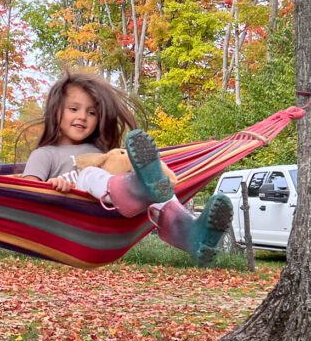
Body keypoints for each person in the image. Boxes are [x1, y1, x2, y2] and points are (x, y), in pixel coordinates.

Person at [23, 71, 232, 267]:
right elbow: (23, 191)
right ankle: (134, 189)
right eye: (73, 109)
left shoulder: (102, 152)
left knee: (159, 187)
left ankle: (193, 235)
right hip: (73, 225)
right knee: (89, 174)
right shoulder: (45, 154)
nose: (83, 117)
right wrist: (52, 186)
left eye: (92, 112)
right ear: (56, 111)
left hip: (108, 222)